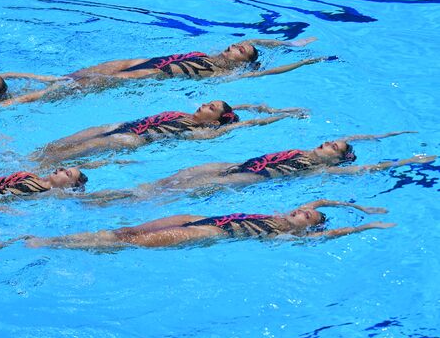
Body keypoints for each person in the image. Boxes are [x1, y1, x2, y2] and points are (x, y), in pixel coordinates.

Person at [80, 131, 436, 204]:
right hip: (231, 165)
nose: (327, 143)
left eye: (334, 147)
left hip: (243, 178)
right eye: (329, 140)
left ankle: (110, 201)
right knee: (165, 181)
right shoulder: (307, 150)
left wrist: (409, 161)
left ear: (339, 158)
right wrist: (386, 135)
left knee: (158, 195)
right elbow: (354, 138)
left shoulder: (319, 169)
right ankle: (112, 196)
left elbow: (362, 170)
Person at [0, 37, 334, 105]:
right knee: (69, 77)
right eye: (238, 43)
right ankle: (21, 91)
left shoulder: (220, 73)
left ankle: (19, 100)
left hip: (139, 76)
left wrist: (304, 62)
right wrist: (289, 45)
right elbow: (256, 41)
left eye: (242, 50)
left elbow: (266, 74)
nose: (237, 45)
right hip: (132, 62)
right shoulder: (208, 52)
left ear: (243, 62)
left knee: (73, 88)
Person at [23, 199, 395, 249]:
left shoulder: (283, 232)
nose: (300, 212)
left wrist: (366, 228)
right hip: (196, 218)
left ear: (304, 229)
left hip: (209, 230)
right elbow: (319, 203)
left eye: (305, 218)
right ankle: (55, 237)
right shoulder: (281, 215)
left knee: (130, 243)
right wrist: (358, 207)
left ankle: (52, 245)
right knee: (125, 232)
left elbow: (332, 230)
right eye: (302, 210)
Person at [32, 100, 307, 164]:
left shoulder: (203, 130)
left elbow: (242, 123)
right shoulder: (184, 113)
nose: (203, 105)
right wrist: (259, 106)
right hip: (118, 126)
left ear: (214, 121)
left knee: (67, 155)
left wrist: (279, 116)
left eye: (210, 108)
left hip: (129, 138)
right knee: (52, 145)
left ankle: (44, 167)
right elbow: (241, 109)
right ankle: (35, 158)